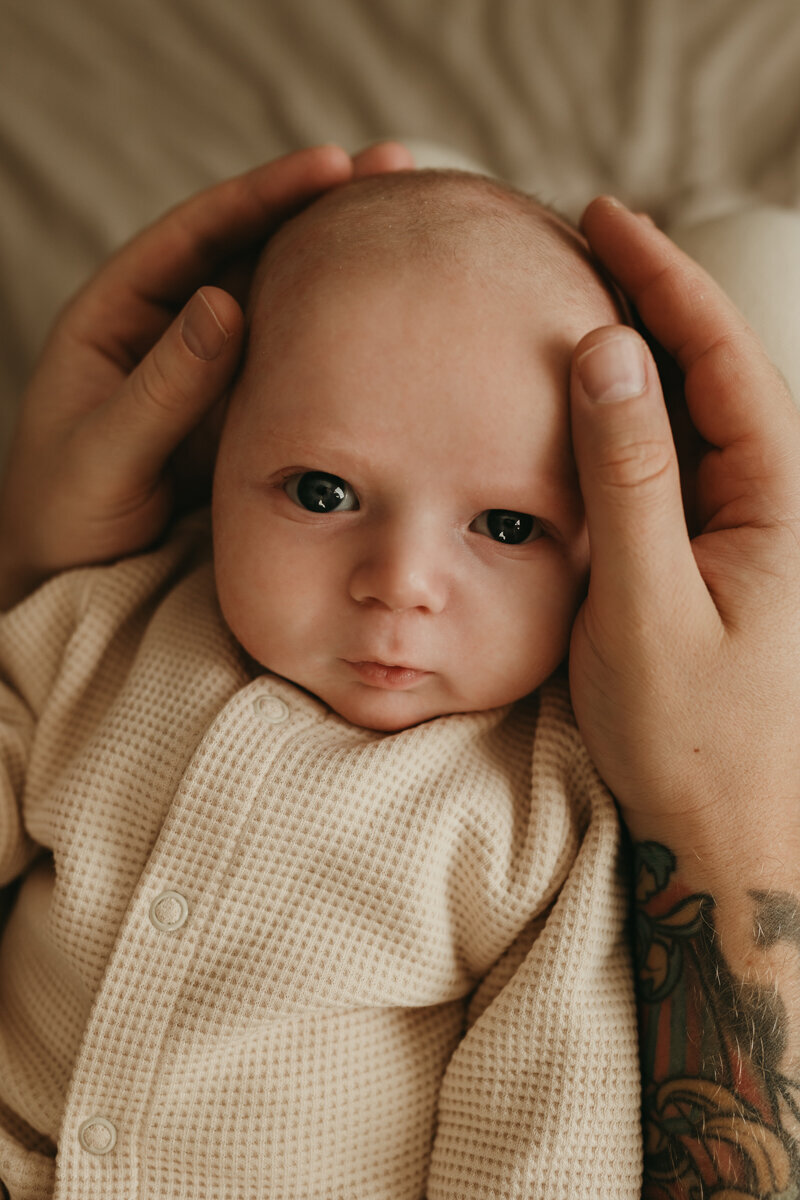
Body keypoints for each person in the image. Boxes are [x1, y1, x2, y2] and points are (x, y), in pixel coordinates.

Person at [1, 143, 799, 1199]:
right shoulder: (109, 620)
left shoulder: (543, 802)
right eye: (322, 493)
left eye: (506, 525)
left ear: (608, 549)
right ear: (210, 445)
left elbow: (542, 1128)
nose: (400, 582)